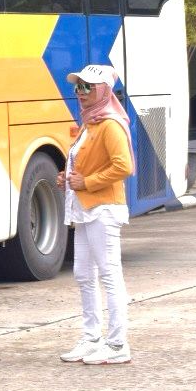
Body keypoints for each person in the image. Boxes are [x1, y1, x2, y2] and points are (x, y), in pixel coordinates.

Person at [58, 64, 136, 366]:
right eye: (77, 86)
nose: (80, 92)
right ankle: (91, 337)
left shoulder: (111, 124)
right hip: (85, 210)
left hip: (104, 209)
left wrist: (86, 182)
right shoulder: (91, 123)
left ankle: (117, 343)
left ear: (103, 90)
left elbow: (124, 166)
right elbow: (84, 163)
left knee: (109, 275)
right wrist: (67, 177)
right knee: (82, 274)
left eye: (86, 87)